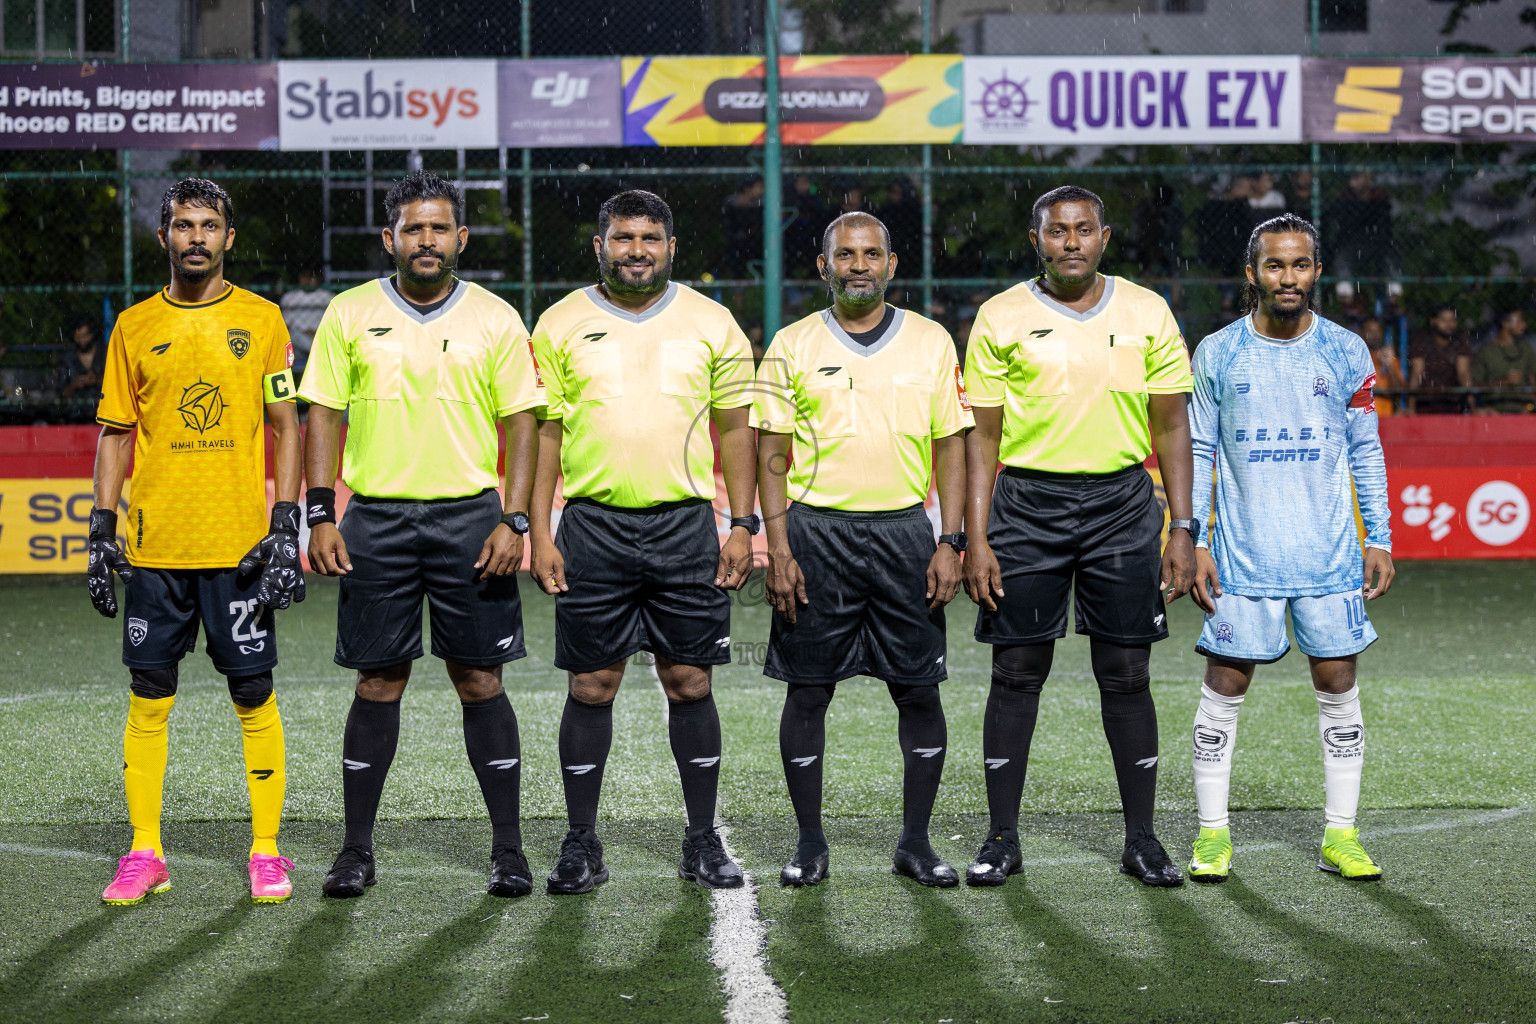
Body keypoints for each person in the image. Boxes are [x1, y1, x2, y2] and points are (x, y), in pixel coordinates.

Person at [300, 171, 546, 900]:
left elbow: (522, 424)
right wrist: (320, 512)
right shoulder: (348, 313)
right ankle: (355, 851)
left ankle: (508, 851)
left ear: (460, 238)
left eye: (440, 228)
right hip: (376, 517)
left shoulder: (497, 318)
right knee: (379, 680)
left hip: (472, 518)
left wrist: (516, 518)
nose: (427, 240)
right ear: (390, 239)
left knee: (480, 680)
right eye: (414, 228)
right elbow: (323, 415)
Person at [961, 185, 1203, 889]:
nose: (1071, 242)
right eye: (1058, 232)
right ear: (1036, 240)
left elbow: (1171, 426)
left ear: (1105, 237)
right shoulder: (999, 315)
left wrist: (1182, 527)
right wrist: (977, 537)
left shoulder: (1146, 310)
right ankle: (1002, 838)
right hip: (1026, 506)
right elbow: (982, 436)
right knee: (1016, 673)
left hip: (1123, 506)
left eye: (1084, 230)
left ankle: (1143, 839)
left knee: (1127, 675)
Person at [529, 189, 757, 895]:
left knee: (689, 681)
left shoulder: (712, 322)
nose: (636, 250)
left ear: (671, 247)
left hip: (685, 525)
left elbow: (736, 429)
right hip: (592, 525)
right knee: (592, 684)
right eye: (624, 237)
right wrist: (539, 529)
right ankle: (581, 842)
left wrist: (742, 524)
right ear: (600, 245)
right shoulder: (560, 322)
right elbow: (546, 433)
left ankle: (700, 840)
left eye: (650, 238)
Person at [88, 178, 304, 906]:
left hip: (237, 543)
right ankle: (145, 852)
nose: (197, 238)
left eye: (209, 225)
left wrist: (284, 524)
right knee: (150, 695)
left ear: (228, 239)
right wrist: (100, 528)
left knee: (253, 692)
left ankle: (268, 851)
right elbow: (116, 433)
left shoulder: (264, 320)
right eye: (184, 225)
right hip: (156, 549)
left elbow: (284, 427)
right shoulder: (131, 327)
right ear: (164, 238)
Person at [752, 212, 973, 888]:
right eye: (844, 253)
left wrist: (952, 539)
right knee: (808, 691)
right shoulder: (789, 344)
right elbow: (771, 452)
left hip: (906, 533)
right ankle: (810, 844)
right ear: (823, 266)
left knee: (918, 691)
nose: (857, 265)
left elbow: (952, 445)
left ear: (892, 264)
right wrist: (779, 548)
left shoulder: (932, 341)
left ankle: (915, 842)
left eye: (870, 253)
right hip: (816, 534)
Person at [1186, 214, 1395, 883]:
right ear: (1253, 273)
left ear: (1316, 273)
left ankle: (1342, 834)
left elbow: (1366, 449)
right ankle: (1213, 835)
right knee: (1224, 684)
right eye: (1275, 266)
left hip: (1328, 554)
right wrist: (1191, 537)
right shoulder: (1219, 352)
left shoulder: (1345, 351)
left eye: (1299, 265)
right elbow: (1197, 451)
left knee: (1337, 685)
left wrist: (1379, 535)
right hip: (1243, 555)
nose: (1287, 278)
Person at [1408, 304, 1473, 414]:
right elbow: (1417, 373)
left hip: (1453, 404)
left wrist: (1473, 407)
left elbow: (1463, 373)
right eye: (1444, 320)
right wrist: (1411, 407)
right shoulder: (1421, 340)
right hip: (1425, 403)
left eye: (1452, 320)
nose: (1449, 324)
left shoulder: (1460, 339)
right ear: (1433, 321)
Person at [1471, 309, 1536, 414]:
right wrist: (1503, 383)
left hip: (1522, 411)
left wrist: (1528, 407)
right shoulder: (1486, 352)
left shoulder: (1526, 349)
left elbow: (1533, 384)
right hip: (1493, 411)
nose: (1524, 325)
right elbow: (1474, 386)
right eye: (1519, 321)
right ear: (1505, 323)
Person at [279, 267, 330, 383]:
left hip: (319, 338)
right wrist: (303, 332)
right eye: (304, 277)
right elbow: (285, 326)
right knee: (292, 335)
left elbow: (332, 326)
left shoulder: (328, 297)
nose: (307, 280)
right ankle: (317, 354)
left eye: (311, 277)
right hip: (296, 344)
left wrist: (316, 332)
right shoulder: (289, 297)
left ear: (317, 279)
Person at [58, 314, 108, 403]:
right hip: (75, 410)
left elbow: (119, 385)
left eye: (86, 336)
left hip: (104, 408)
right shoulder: (67, 359)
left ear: (93, 333)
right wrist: (75, 385)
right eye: (78, 337)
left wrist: (98, 380)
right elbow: (62, 393)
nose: (82, 341)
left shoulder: (106, 354)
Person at [1362, 317, 1405, 417]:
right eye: (1370, 331)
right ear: (1361, 333)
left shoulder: (1388, 356)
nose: (1375, 335)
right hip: (1362, 420)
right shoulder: (1355, 358)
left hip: (1386, 418)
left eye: (1378, 331)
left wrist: (1390, 366)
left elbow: (1399, 391)